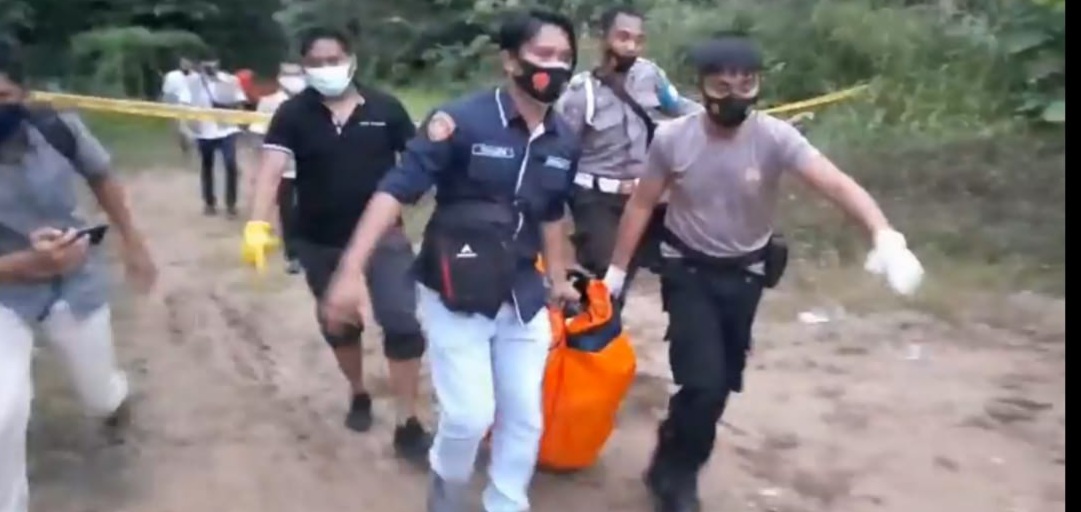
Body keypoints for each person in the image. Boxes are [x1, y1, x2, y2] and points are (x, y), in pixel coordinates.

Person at [602, 35, 925, 512]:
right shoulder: (673, 139)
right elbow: (642, 203)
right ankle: (678, 481)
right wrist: (615, 271)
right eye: (722, 85)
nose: (735, 95)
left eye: (746, 84)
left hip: (746, 275)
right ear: (702, 87)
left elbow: (836, 184)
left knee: (719, 387)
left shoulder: (775, 138)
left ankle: (672, 454)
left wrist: (884, 235)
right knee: (702, 381)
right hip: (687, 270)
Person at [321, 9, 581, 511]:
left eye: (565, 57)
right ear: (511, 61)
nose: (555, 66)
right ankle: (447, 489)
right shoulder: (460, 121)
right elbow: (396, 190)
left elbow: (551, 211)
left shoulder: (564, 140)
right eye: (543, 54)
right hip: (455, 289)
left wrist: (559, 277)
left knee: (525, 416)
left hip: (522, 295)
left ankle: (507, 501)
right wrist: (351, 269)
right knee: (468, 415)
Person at [243, 28, 432, 462]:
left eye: (334, 60)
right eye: (316, 62)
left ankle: (408, 421)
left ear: (352, 61)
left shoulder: (385, 108)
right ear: (304, 67)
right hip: (320, 238)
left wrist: (425, 197)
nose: (326, 68)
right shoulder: (293, 114)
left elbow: (418, 161)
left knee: (402, 324)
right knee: (339, 325)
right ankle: (359, 391)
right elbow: (271, 170)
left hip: (384, 237)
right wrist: (257, 223)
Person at [0, 44, 157, 512]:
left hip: (73, 283)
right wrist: (19, 265)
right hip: (5, 292)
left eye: (2, 96)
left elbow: (102, 177)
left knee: (99, 394)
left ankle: (113, 401)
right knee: (4, 410)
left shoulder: (57, 128)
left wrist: (133, 242)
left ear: (23, 93)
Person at [556, 5, 700, 295]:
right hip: (597, 201)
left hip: (646, 196)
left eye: (638, 39)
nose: (631, 46)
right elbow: (561, 152)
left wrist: (731, 121)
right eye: (623, 37)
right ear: (603, 38)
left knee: (689, 259)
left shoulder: (651, 76)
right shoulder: (581, 93)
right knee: (606, 284)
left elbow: (680, 108)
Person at [247, 62, 307, 274]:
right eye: (288, 74)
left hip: (313, 168)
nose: (293, 78)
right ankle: (293, 255)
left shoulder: (318, 103)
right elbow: (257, 135)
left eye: (297, 73)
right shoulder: (269, 103)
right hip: (284, 169)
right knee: (287, 211)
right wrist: (261, 166)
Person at [183, 54, 248, 217]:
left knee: (231, 164)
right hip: (204, 131)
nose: (209, 67)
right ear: (200, 65)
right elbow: (185, 104)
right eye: (206, 64)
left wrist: (241, 120)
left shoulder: (230, 80)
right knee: (207, 166)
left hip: (227, 129)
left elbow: (240, 101)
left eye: (212, 63)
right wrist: (187, 128)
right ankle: (209, 202)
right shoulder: (192, 82)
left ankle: (231, 204)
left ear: (218, 63)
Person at [160, 56, 195, 157]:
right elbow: (166, 92)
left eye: (188, 63)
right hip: (177, 105)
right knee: (180, 131)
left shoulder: (196, 77)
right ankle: (186, 150)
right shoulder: (172, 76)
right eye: (184, 62)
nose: (186, 65)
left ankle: (193, 144)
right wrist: (166, 106)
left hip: (192, 106)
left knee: (185, 129)